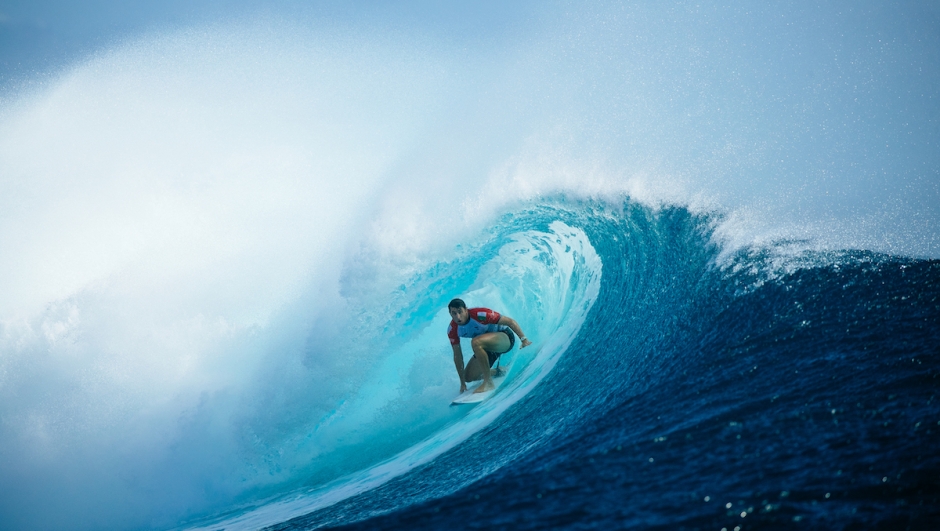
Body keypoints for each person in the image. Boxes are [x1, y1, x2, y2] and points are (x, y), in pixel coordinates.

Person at [446, 298, 532, 394]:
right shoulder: (452, 329)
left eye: (460, 312)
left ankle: (488, 382)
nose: (458, 316)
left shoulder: (480, 314)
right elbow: (457, 356)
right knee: (468, 377)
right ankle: (498, 371)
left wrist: (524, 340)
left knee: (476, 342)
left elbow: (510, 321)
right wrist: (462, 383)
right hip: (487, 348)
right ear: (450, 314)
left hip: (505, 338)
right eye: (454, 313)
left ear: (466, 309)